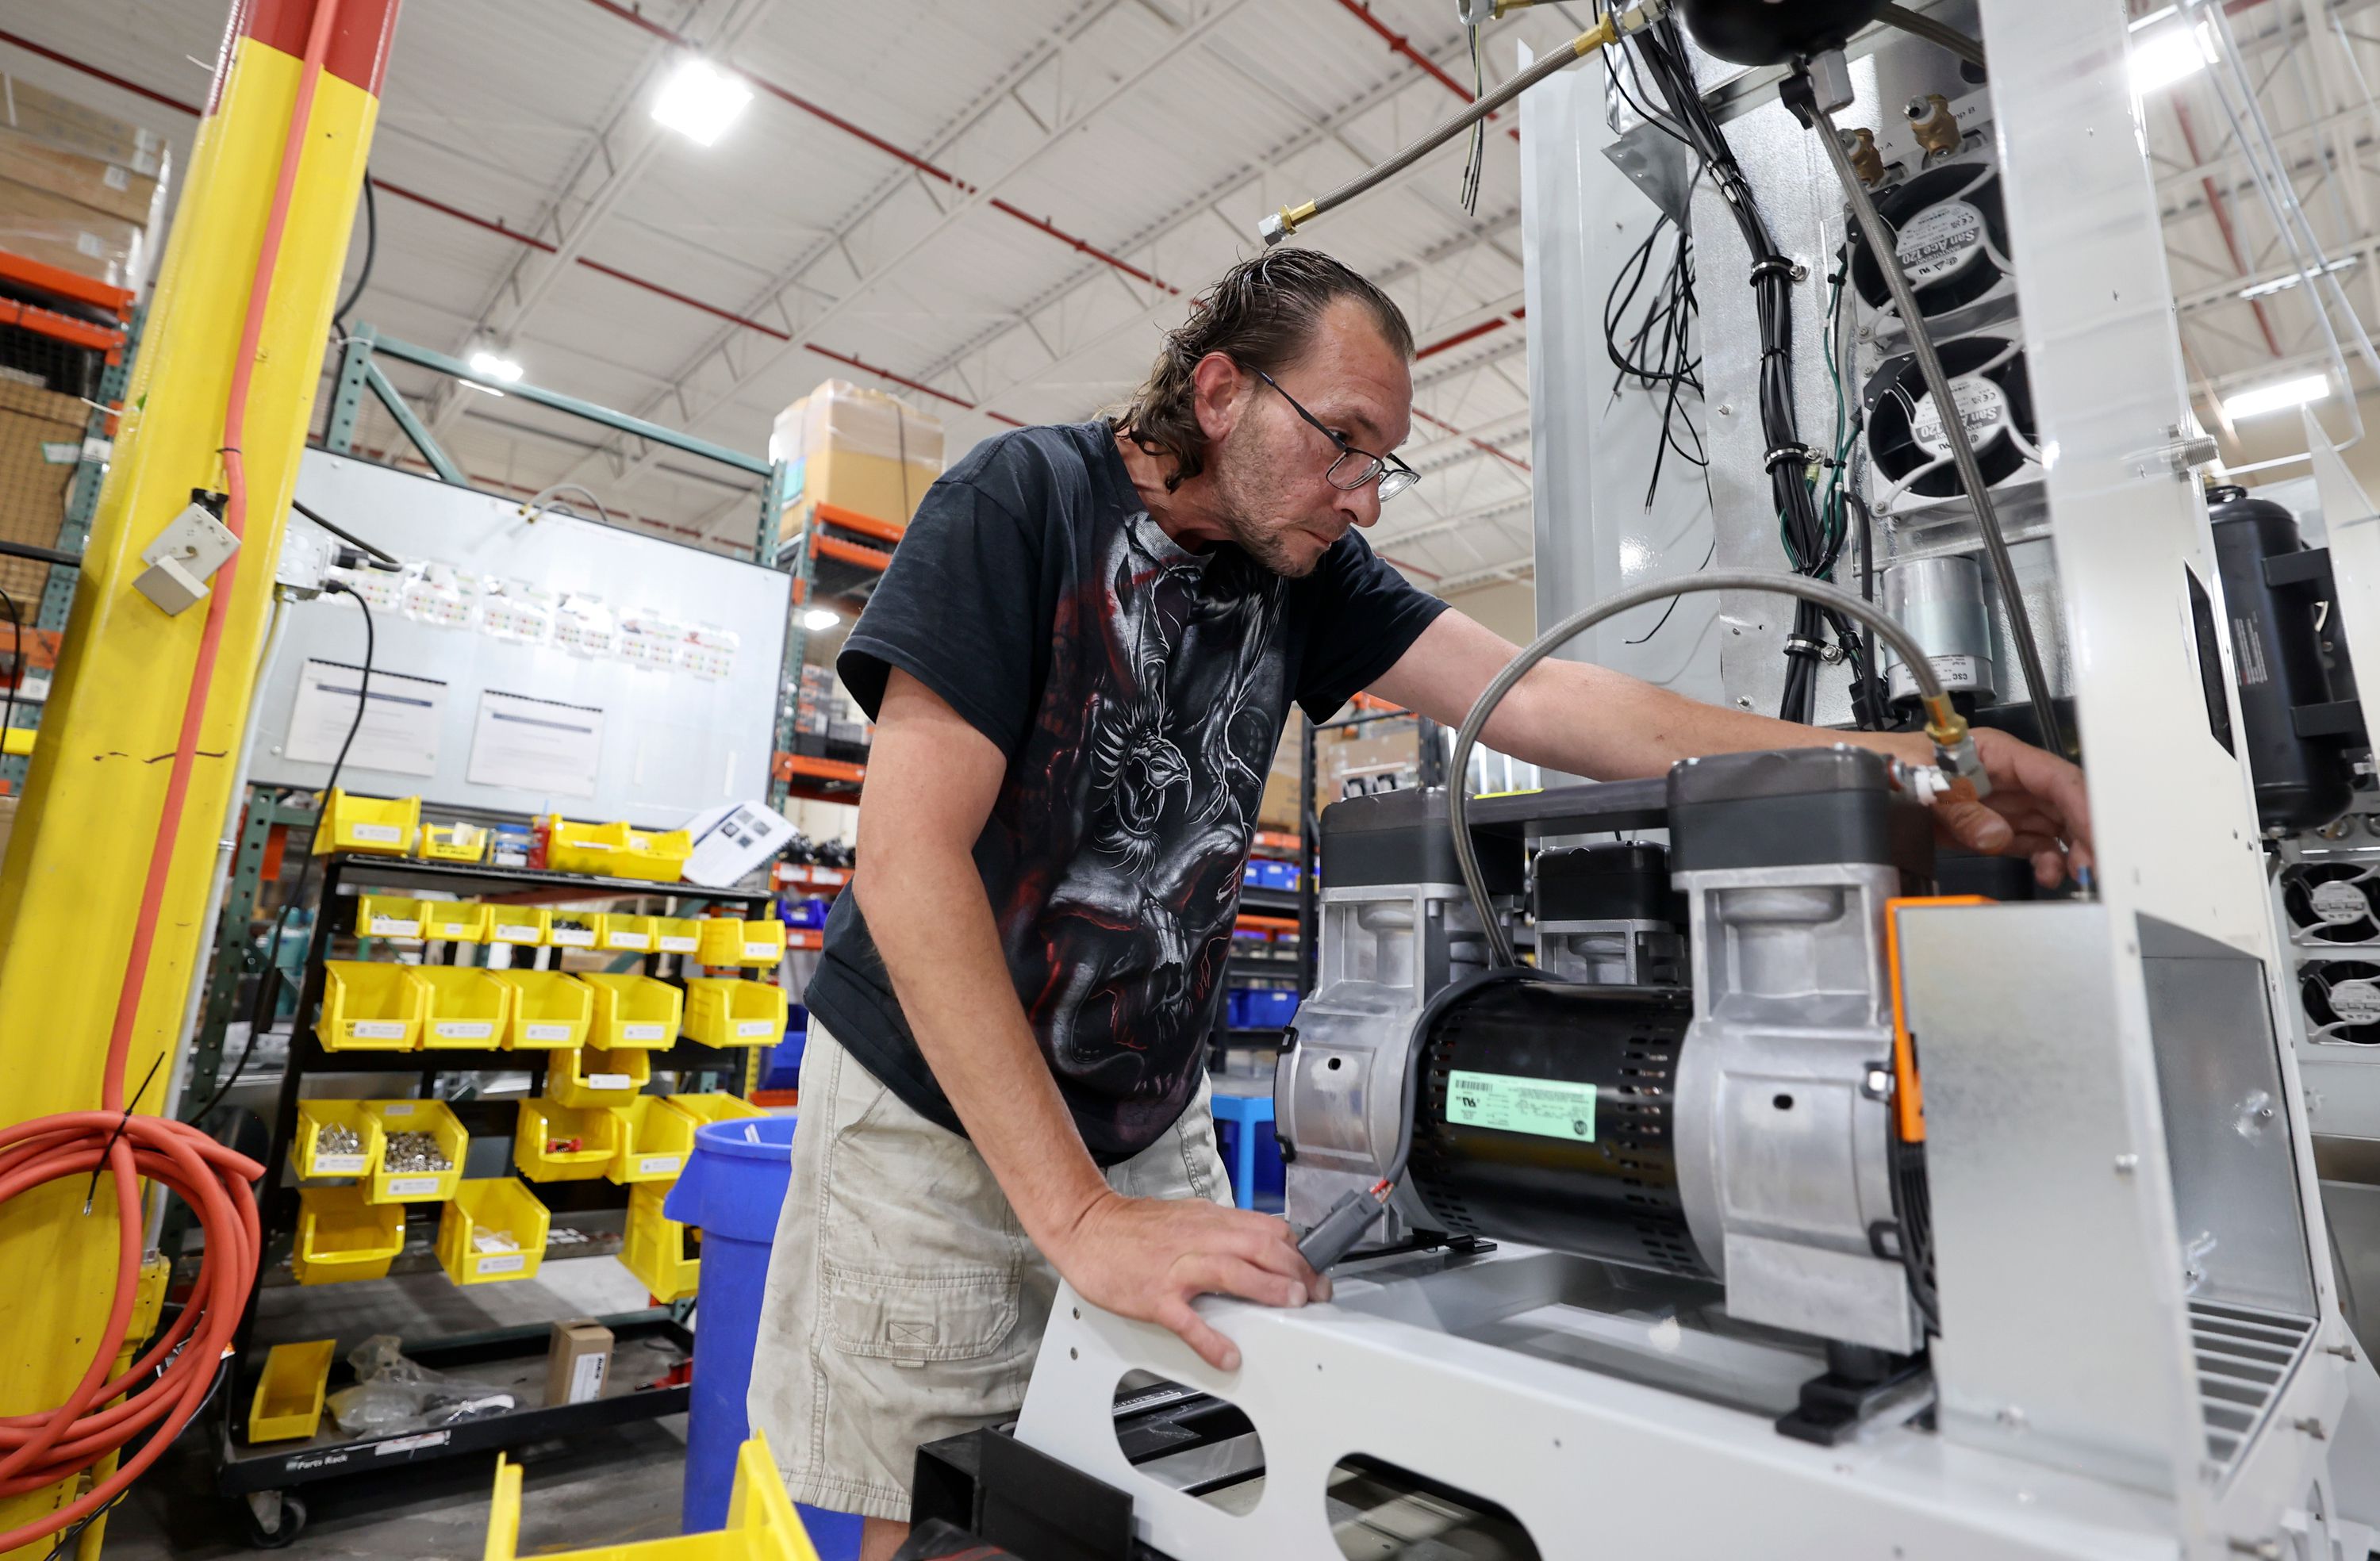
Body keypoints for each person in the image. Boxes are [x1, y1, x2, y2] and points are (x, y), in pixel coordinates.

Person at [749, 249, 2092, 1560]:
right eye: (1341, 442)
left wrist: (1935, 764)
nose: (1363, 497)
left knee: (1163, 1478)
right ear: (1218, 392)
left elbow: (1560, 700)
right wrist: (1081, 1219)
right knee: (956, 1505)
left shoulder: (1305, 576)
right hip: (936, 1113)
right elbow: (908, 863)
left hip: (1137, 1111)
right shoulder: (1021, 500)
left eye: (1377, 461)